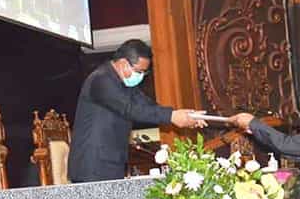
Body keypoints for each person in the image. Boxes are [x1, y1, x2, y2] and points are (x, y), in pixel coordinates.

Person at [69, 39, 205, 183]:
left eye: (144, 73)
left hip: (111, 161)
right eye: (139, 71)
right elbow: (130, 109)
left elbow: (147, 105)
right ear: (123, 64)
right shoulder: (101, 79)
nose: (141, 76)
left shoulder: (125, 85)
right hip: (92, 165)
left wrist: (184, 116)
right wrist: (172, 116)